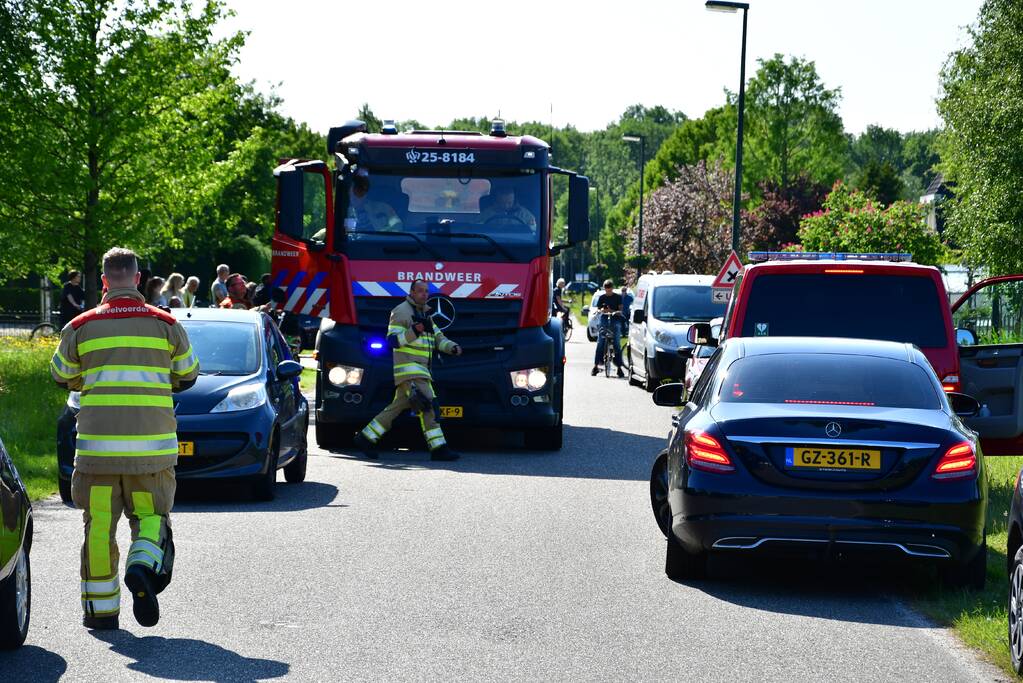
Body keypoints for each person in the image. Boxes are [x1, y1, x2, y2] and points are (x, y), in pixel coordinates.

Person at [49, 246, 199, 631]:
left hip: (97, 454)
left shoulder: (79, 327)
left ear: (103, 281)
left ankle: (101, 612)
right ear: (137, 279)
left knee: (98, 526)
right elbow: (188, 374)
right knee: (151, 517)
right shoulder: (166, 323)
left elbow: (61, 375)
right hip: (151, 455)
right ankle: (142, 564)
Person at [352, 279, 462, 461]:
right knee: (429, 405)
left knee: (395, 408)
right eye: (420, 291)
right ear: (411, 292)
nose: (424, 294)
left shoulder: (426, 314)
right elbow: (393, 340)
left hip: (419, 371)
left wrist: (452, 347)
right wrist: (415, 331)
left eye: (426, 291)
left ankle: (365, 438)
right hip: (409, 371)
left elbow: (438, 338)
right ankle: (439, 448)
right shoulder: (401, 311)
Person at [592, 279, 624, 377]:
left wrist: (613, 311)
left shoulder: (617, 297)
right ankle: (596, 366)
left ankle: (619, 367)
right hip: (604, 319)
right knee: (600, 342)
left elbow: (621, 309)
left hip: (615, 319)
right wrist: (601, 310)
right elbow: (598, 308)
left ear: (612, 288)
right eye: (606, 290)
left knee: (617, 343)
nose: (608, 292)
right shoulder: (602, 297)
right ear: (604, 289)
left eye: (610, 290)